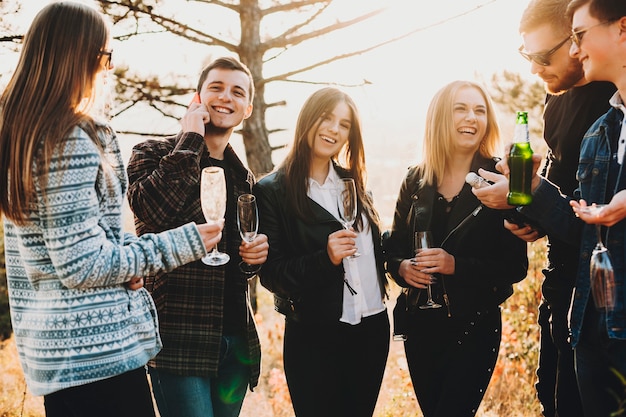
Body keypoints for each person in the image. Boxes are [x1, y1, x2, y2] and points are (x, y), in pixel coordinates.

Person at [0, 3, 224, 417]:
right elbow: (82, 266)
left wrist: (125, 269)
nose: (108, 69)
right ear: (79, 57)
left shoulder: (22, 136)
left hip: (61, 358)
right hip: (96, 357)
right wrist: (185, 242)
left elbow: (71, 250)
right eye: (106, 56)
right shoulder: (67, 141)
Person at [472, 1, 614, 415]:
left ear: (575, 39)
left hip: (598, 300)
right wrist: (522, 209)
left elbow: (599, 224)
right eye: (525, 56)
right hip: (559, 288)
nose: (533, 69)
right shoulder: (557, 100)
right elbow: (559, 185)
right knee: (551, 403)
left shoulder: (612, 106)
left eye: (540, 57)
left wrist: (535, 195)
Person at [126, 56, 268, 417]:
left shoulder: (243, 178)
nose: (226, 97)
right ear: (197, 97)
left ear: (247, 108)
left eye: (237, 92)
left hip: (234, 343)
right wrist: (190, 139)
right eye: (216, 88)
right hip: (179, 343)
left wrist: (251, 261)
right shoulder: (152, 153)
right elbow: (153, 213)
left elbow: (232, 267)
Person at [384, 80, 529, 417]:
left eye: (480, 110)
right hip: (420, 325)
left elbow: (514, 267)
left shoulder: (498, 179)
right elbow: (393, 247)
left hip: (474, 326)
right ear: (439, 119)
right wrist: (402, 269)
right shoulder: (415, 181)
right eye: (460, 109)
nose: (472, 117)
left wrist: (455, 265)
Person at [253, 87, 389, 417]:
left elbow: (374, 254)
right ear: (308, 120)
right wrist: (325, 259)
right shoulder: (272, 191)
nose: (333, 129)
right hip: (315, 335)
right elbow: (273, 275)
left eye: (343, 125)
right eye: (327, 118)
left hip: (372, 329)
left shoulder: (354, 185)